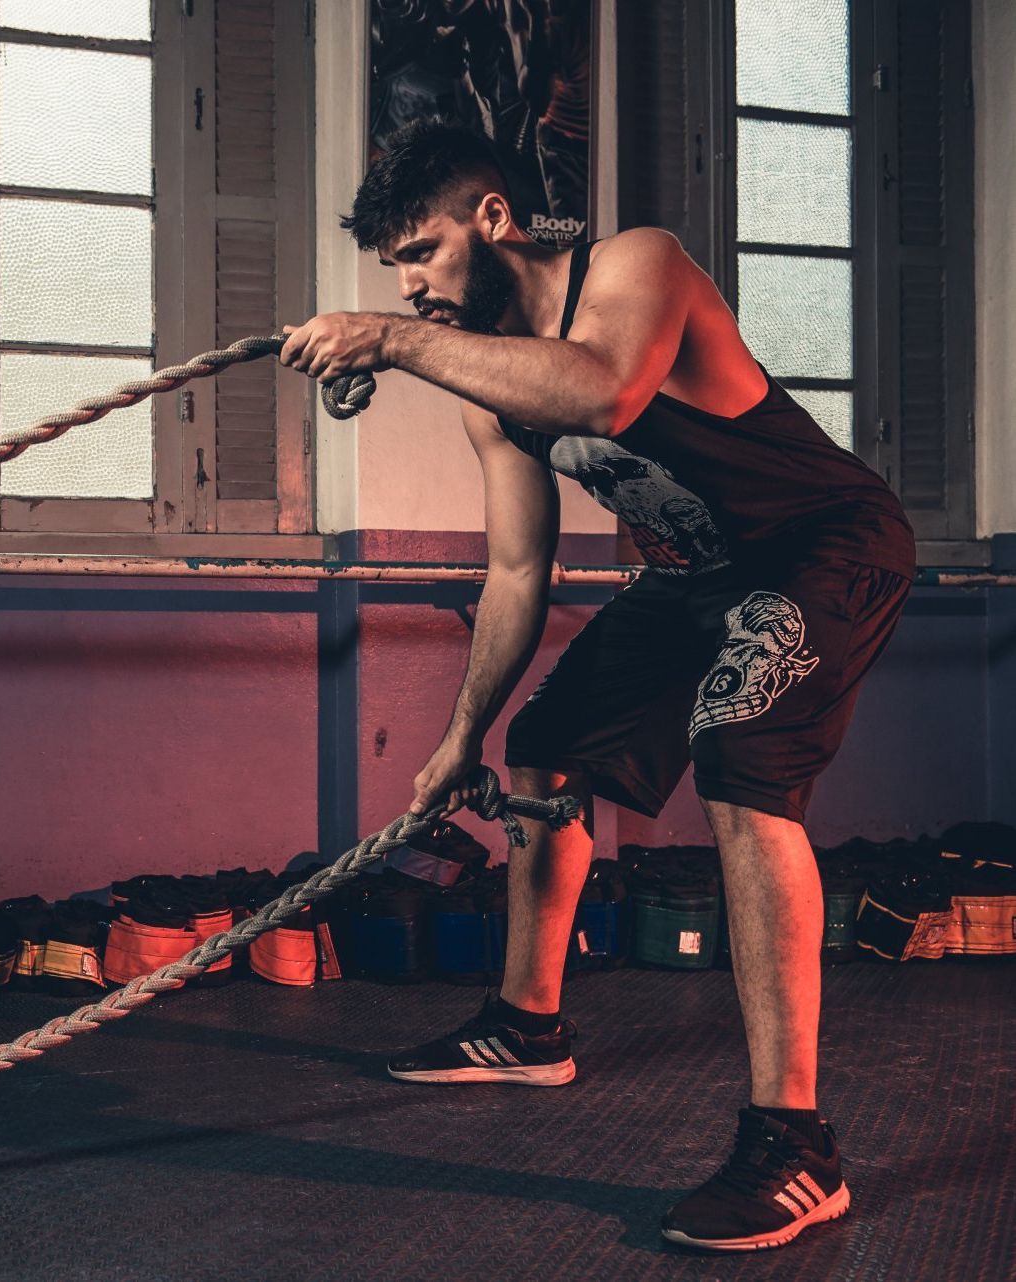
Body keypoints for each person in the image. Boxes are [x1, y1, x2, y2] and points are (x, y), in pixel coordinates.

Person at [279, 118, 915, 1253]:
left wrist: (385, 338)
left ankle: (795, 1145)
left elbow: (605, 392)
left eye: (421, 253)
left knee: (737, 759)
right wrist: (455, 738)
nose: (412, 287)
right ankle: (527, 1025)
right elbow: (519, 570)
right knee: (546, 744)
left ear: (491, 217)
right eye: (395, 273)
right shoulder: (486, 386)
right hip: (689, 574)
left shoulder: (635, 264)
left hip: (820, 544)